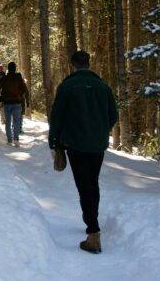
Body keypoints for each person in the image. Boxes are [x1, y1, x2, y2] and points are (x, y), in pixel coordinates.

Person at [48, 50, 118, 255]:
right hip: (97, 144)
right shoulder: (102, 86)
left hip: (75, 143)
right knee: (92, 182)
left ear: (73, 64)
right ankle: (92, 221)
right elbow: (113, 115)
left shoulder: (67, 86)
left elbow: (57, 116)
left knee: (84, 185)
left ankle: (93, 232)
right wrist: (101, 130)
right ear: (88, 63)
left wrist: (55, 141)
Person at [0, 61, 29, 147]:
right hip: (17, 103)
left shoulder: (4, 78)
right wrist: (20, 96)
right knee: (17, 122)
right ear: (15, 68)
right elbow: (25, 89)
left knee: (8, 122)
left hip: (6, 103)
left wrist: (0, 97)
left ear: (8, 69)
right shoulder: (18, 78)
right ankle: (16, 139)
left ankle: (9, 140)